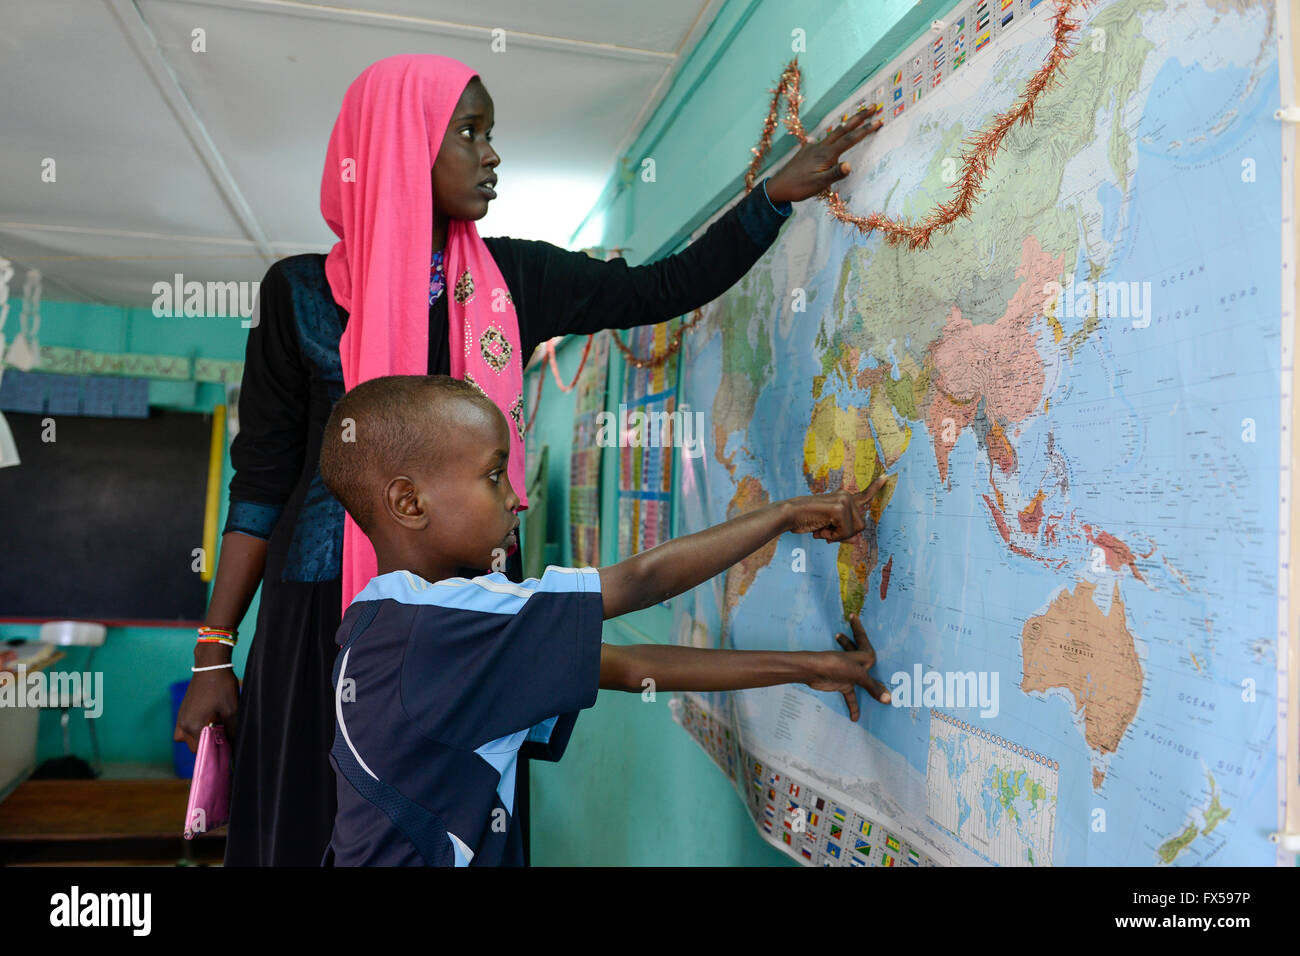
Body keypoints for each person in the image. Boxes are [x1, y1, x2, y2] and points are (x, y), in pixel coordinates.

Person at [174, 53, 886, 867]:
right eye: (468, 133)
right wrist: (213, 651)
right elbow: (262, 484)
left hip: (477, 605)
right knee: (315, 823)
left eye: (491, 134)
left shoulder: (516, 277)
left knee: (468, 816)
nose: (492, 154)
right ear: (402, 149)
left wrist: (770, 202)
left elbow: (661, 290)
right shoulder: (297, 292)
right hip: (316, 625)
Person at [318, 374, 891, 866]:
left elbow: (624, 666)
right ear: (409, 503)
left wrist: (811, 666)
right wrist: (786, 513)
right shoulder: (443, 624)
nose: (517, 498)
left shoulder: (383, 615)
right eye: (494, 476)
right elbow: (637, 582)